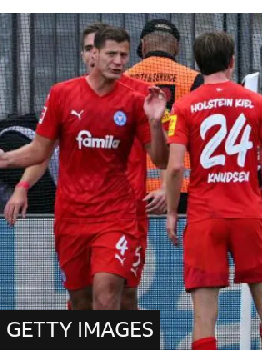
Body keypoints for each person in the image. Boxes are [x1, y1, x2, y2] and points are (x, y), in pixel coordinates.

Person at [0, 26, 169, 310]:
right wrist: (7, 164)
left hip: (119, 215)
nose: (118, 61)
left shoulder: (140, 97)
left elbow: (162, 159)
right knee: (81, 302)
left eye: (123, 55)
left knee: (112, 294)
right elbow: (40, 151)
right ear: (93, 54)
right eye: (111, 54)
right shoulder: (62, 95)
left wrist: (155, 122)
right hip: (73, 216)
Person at [165, 31, 262, 350]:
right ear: (232, 62)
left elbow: (175, 166)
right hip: (247, 212)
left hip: (205, 215)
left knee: (205, 315)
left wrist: (171, 211)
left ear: (196, 64)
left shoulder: (184, 105)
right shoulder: (255, 101)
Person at [127, 18, 204, 213]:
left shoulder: (125, 79)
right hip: (183, 186)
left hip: (134, 184)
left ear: (143, 45)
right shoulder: (193, 79)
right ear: (176, 47)